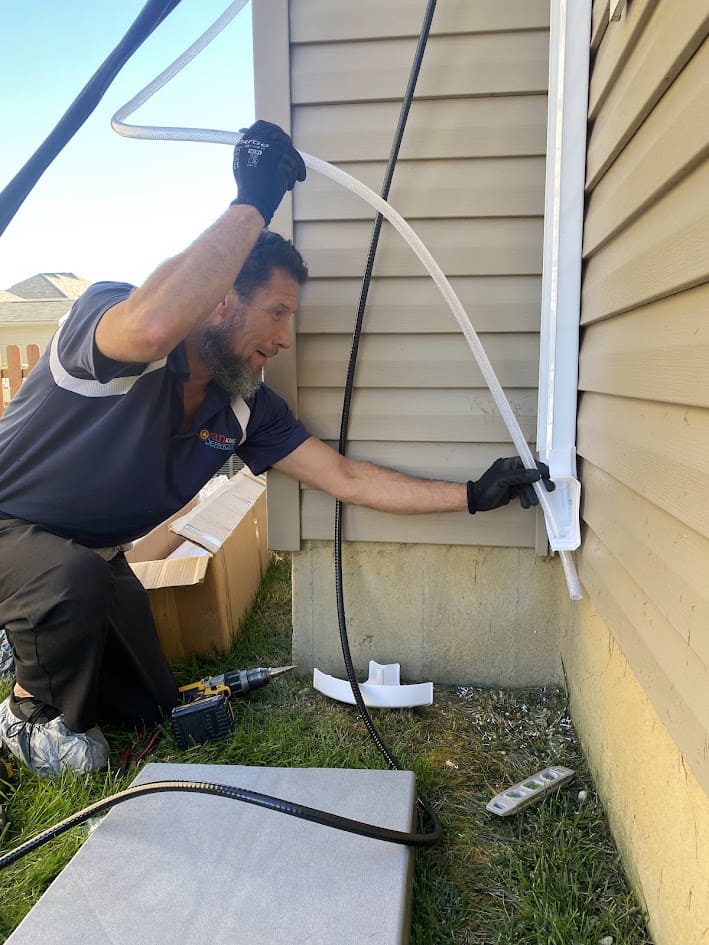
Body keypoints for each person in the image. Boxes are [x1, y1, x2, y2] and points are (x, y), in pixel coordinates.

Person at [0, 121, 554, 776]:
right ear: (220, 302)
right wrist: (255, 197)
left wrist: (470, 495)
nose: (285, 337)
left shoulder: (242, 409)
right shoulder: (108, 328)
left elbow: (345, 477)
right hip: (16, 532)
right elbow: (152, 324)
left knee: (151, 704)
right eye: (276, 311)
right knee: (70, 585)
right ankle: (25, 714)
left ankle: (31, 636)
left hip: (86, 556)